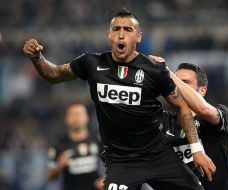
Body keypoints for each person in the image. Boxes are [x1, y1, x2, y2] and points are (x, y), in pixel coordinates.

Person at [23, 8, 215, 190]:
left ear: (138, 37)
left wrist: (197, 149)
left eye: (128, 29)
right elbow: (53, 75)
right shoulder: (91, 63)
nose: (121, 34)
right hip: (121, 162)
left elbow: (181, 107)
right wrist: (37, 57)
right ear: (109, 35)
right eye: (116, 29)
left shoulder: (154, 70)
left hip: (158, 156)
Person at [149, 57, 228, 190]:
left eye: (184, 82)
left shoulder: (217, 114)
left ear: (202, 91)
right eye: (172, 82)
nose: (176, 86)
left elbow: (204, 109)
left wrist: (168, 73)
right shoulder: (164, 122)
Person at [47, 102, 104, 190]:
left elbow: (114, 161)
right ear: (66, 118)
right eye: (73, 114)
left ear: (87, 117)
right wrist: (59, 166)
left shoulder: (98, 138)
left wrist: (106, 178)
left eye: (80, 114)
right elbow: (50, 177)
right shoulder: (59, 144)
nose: (76, 118)